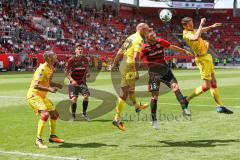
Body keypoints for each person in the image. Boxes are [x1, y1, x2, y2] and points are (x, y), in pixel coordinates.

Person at [141, 28, 191, 129]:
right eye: (152, 36)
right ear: (147, 38)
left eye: (154, 34)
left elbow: (172, 47)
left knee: (175, 87)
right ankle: (154, 120)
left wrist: (184, 51)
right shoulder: (144, 48)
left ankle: (184, 108)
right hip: (154, 74)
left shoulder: (160, 42)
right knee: (155, 97)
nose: (154, 36)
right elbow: (140, 60)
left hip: (165, 71)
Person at [181, 17, 233, 114]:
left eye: (192, 23)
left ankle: (220, 106)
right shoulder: (186, 34)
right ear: (184, 26)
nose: (191, 25)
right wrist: (201, 24)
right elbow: (196, 37)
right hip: (202, 60)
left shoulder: (192, 30)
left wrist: (212, 26)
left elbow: (201, 31)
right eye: (189, 24)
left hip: (207, 57)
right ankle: (186, 99)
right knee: (206, 86)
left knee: (214, 82)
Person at [111, 23, 150, 131]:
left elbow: (120, 51)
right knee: (124, 93)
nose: (147, 33)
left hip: (123, 64)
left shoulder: (130, 37)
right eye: (146, 30)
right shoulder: (139, 40)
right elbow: (136, 56)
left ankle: (138, 106)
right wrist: (136, 71)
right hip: (130, 66)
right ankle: (117, 118)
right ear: (141, 29)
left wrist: (114, 64)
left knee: (130, 89)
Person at [27, 50, 64, 149]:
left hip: (42, 96)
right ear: (48, 58)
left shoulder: (52, 68)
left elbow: (48, 82)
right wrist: (49, 89)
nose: (56, 56)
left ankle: (53, 136)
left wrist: (56, 85)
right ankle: (38, 140)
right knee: (45, 114)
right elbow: (36, 85)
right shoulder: (42, 69)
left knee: (54, 114)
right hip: (34, 95)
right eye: (54, 55)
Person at [64, 44, 90, 121]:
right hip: (73, 82)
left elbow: (87, 68)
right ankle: (73, 116)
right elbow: (66, 71)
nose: (80, 50)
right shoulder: (71, 60)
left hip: (82, 82)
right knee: (74, 99)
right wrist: (72, 80)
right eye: (78, 49)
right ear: (75, 50)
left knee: (86, 96)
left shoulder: (85, 59)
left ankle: (84, 114)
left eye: (81, 49)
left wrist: (87, 73)